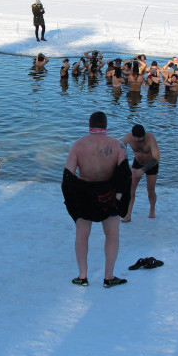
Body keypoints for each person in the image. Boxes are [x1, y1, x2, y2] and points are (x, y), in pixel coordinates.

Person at [61, 111, 131, 288]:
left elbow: (67, 177)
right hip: (108, 196)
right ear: (106, 126)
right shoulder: (118, 145)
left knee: (82, 236)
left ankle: (82, 277)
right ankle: (109, 277)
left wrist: (72, 201)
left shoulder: (77, 145)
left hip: (85, 196)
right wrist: (119, 196)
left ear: (89, 125)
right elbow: (125, 175)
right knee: (112, 236)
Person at [121, 124, 160, 222]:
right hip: (137, 163)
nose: (138, 140)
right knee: (131, 190)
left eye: (141, 138)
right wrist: (125, 167)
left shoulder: (150, 138)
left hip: (152, 165)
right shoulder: (127, 138)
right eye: (136, 138)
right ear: (132, 135)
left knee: (150, 190)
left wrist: (142, 170)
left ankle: (152, 209)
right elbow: (120, 151)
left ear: (144, 135)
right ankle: (128, 215)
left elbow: (157, 158)